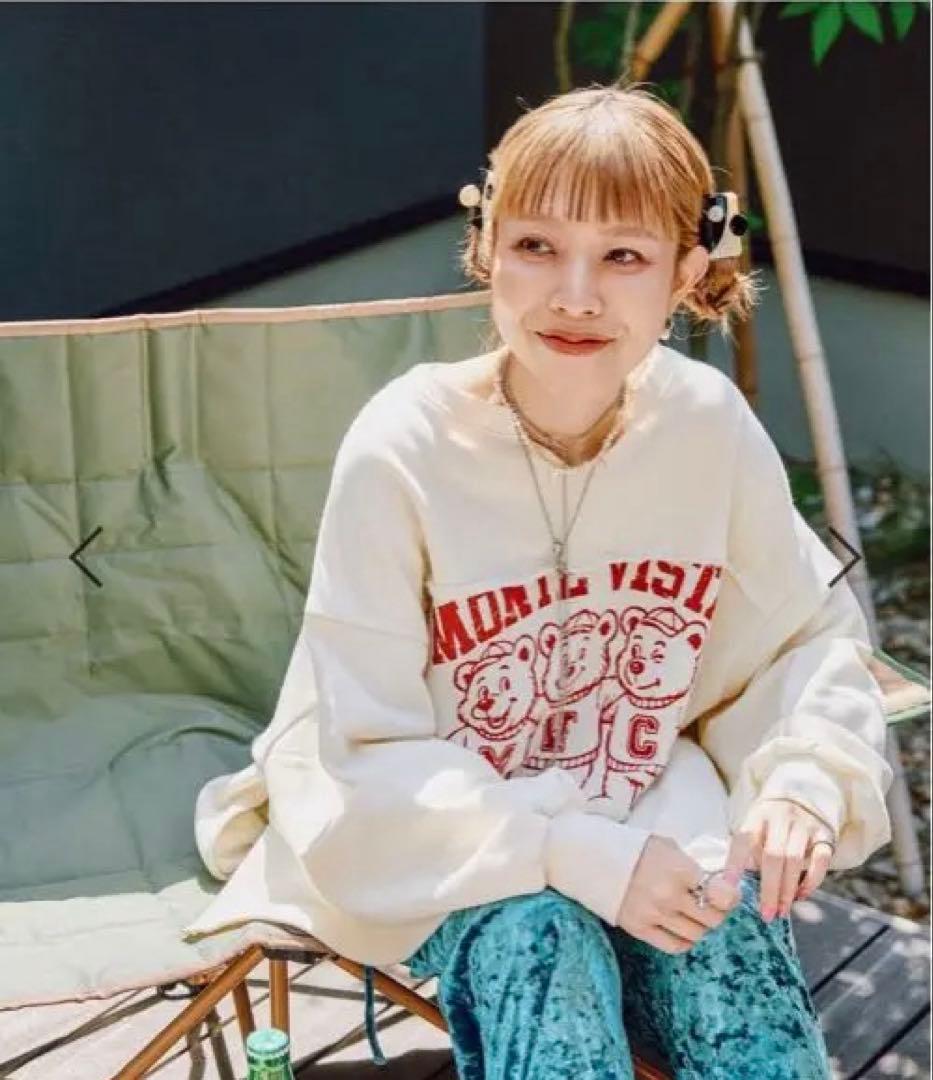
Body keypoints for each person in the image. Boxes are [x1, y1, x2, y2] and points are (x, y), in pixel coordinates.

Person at [184, 84, 894, 1079]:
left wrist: (803, 782)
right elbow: (362, 749)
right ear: (486, 248)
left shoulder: (705, 427)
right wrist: (571, 854)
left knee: (728, 941)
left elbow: (798, 643)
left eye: (624, 257)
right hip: (437, 837)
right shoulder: (405, 446)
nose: (574, 295)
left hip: (644, 807)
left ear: (686, 270)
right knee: (540, 939)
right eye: (536, 246)